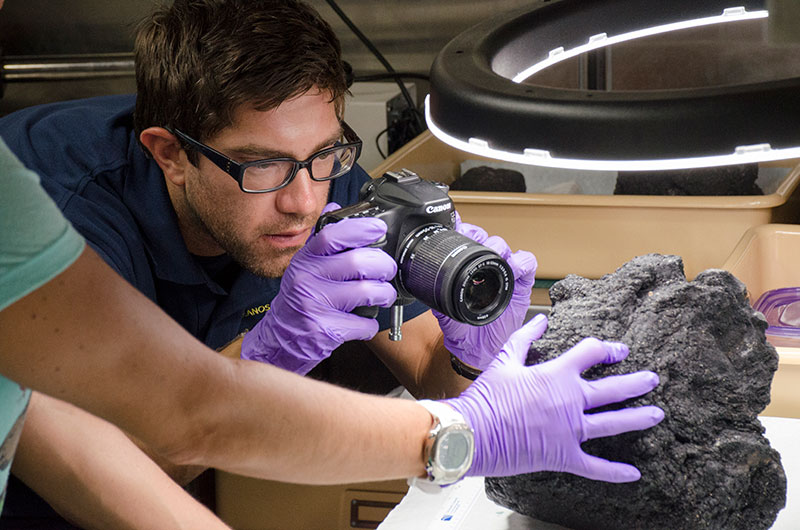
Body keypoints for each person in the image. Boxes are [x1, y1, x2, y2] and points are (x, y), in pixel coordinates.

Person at [0, 0, 659, 525]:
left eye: (325, 155)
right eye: (261, 166)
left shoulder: (324, 179)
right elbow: (117, 465)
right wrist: (270, 354)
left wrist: (469, 357)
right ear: (170, 154)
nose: (304, 201)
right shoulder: (62, 218)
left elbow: (440, 382)